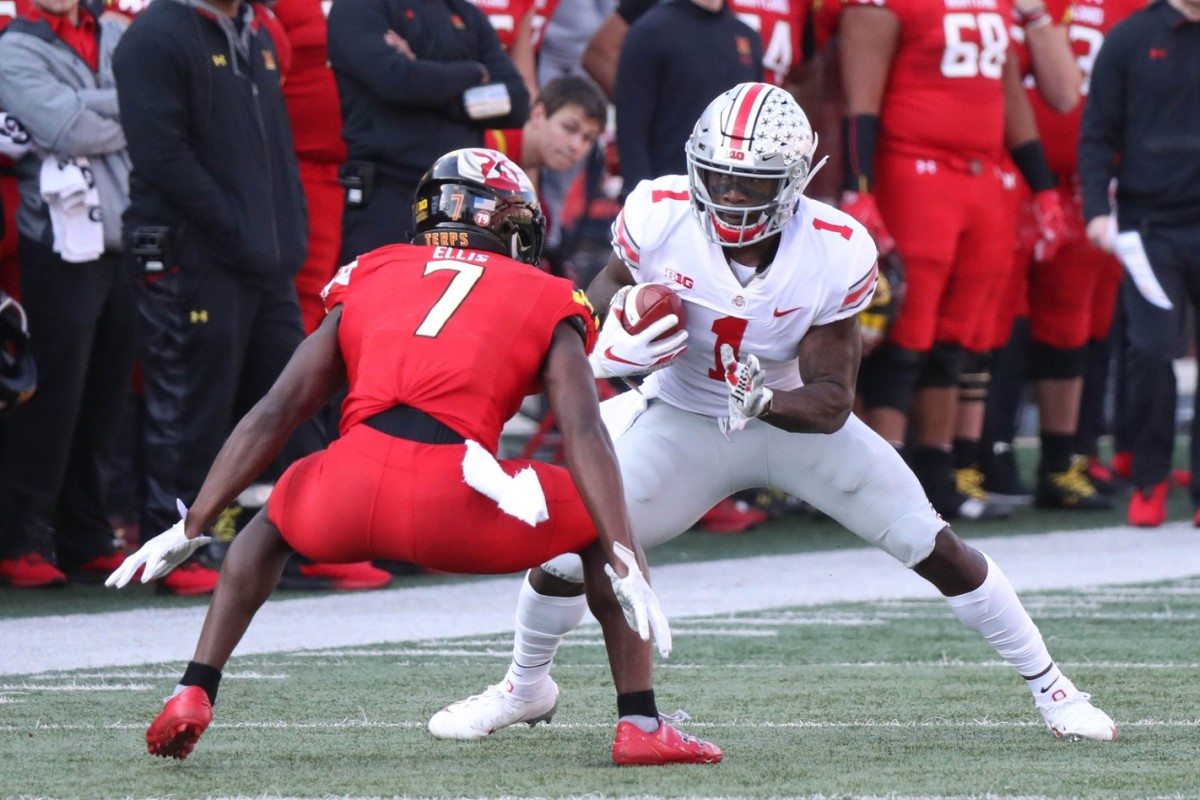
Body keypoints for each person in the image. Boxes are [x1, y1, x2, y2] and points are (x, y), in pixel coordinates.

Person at [428, 83, 1117, 745]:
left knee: (934, 548)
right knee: (566, 549)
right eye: (718, 176)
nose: (728, 193)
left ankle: (1055, 687)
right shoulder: (660, 212)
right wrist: (612, 335)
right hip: (683, 419)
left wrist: (762, 400)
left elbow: (831, 401)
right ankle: (526, 687)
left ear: (791, 182)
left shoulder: (836, 246)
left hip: (792, 423)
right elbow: (593, 300)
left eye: (749, 182)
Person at [104, 147, 720, 767]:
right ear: (511, 229)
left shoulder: (370, 270)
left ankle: (194, 688)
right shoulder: (549, 293)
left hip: (344, 496)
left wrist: (193, 523)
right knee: (596, 527)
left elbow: (278, 408)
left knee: (267, 530)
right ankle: (640, 720)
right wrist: (619, 550)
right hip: (460, 502)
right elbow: (583, 430)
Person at [113, 0, 324, 596]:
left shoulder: (255, 33)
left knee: (297, 396)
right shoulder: (153, 36)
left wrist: (287, 233)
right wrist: (241, 230)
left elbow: (277, 151)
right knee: (189, 406)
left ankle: (309, 540)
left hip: (262, 261)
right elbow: (162, 158)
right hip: (195, 255)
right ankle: (172, 546)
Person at [837, 0, 1064, 520]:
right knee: (903, 329)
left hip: (980, 172)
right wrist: (860, 186)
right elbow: (860, 96)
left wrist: (1042, 184)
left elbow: (1009, 94)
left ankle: (935, 471)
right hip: (914, 167)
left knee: (955, 334)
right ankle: (882, 473)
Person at [0, 0, 138, 588]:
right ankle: (19, 539)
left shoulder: (111, 28)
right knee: (53, 397)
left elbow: (151, 104)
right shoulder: (11, 45)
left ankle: (85, 534)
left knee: (106, 394)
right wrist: (122, 107)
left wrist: (91, 107)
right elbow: (65, 128)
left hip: (123, 231)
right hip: (56, 241)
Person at [1078, 0, 1200, 527]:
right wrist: (1095, 212)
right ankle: (1149, 479)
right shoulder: (1128, 39)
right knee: (1151, 351)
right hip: (1149, 227)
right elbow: (1097, 132)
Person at [326, 0, 531, 264]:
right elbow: (397, 80)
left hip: (463, 206)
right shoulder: (360, 7)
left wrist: (426, 86)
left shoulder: (465, 13)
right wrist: (476, 73)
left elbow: (515, 104)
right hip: (388, 194)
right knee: (381, 300)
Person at [614, 0, 762, 190]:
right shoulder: (650, 31)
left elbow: (753, 122)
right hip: (668, 194)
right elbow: (631, 129)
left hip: (732, 196)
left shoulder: (746, 35)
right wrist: (640, 198)